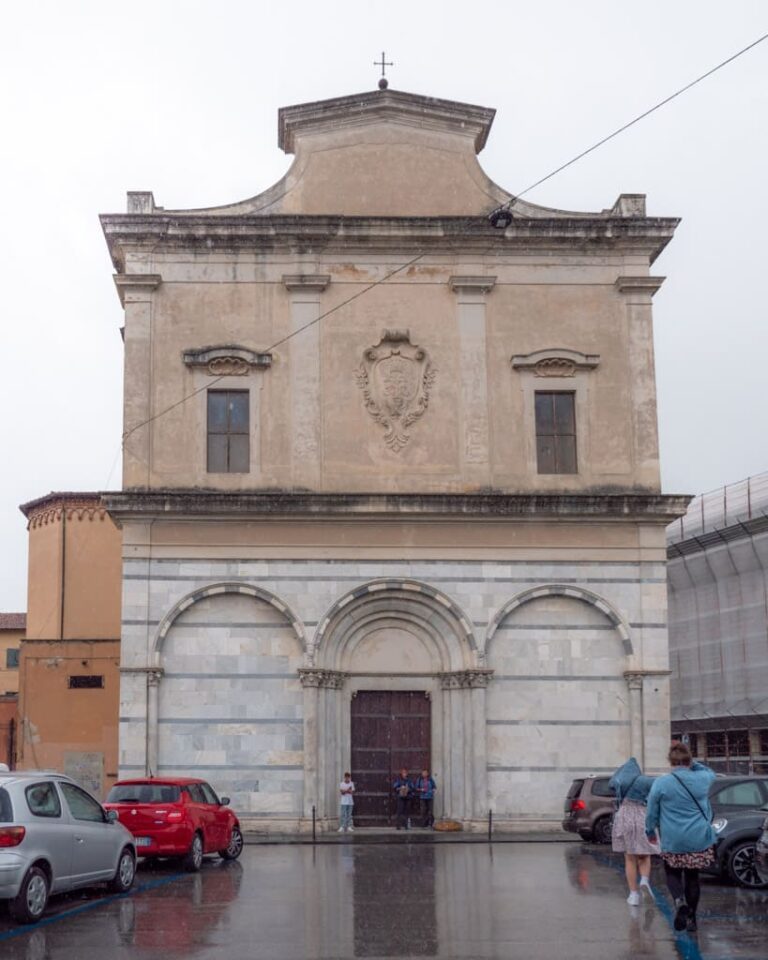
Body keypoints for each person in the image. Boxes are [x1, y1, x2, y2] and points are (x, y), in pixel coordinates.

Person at [645, 742, 717, 934]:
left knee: (672, 873)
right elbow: (709, 771)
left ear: (670, 761)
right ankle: (692, 918)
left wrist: (650, 831)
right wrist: (693, 763)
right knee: (693, 877)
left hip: (673, 838)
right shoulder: (703, 778)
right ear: (689, 760)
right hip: (698, 838)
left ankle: (679, 902)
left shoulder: (662, 783)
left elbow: (652, 811)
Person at [609, 757, 658, 905]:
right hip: (642, 815)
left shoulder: (620, 783)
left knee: (630, 858)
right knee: (645, 855)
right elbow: (661, 786)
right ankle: (644, 880)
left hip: (625, 816)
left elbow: (611, 786)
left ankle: (634, 895)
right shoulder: (644, 781)